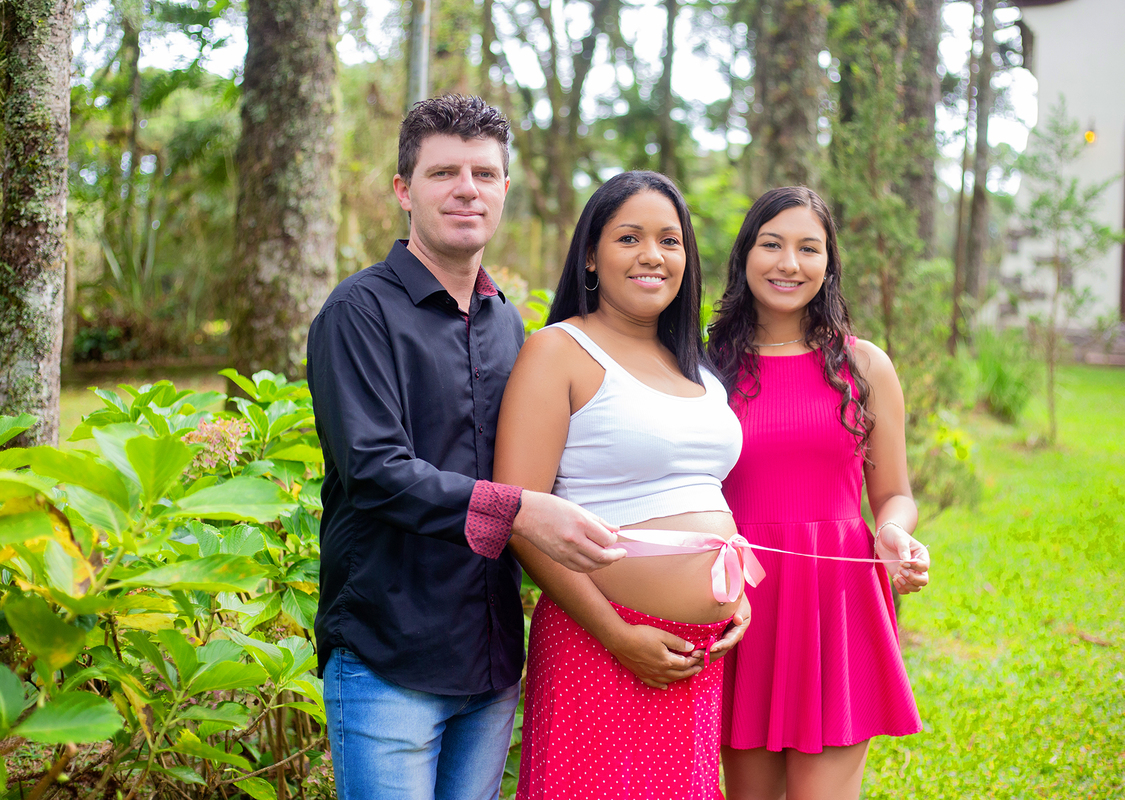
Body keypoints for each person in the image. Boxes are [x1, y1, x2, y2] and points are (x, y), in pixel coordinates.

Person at [306, 95, 626, 800]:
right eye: (444, 172)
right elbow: (374, 472)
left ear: (504, 188)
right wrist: (520, 512)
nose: (466, 189)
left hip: (488, 662)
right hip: (390, 654)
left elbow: (543, 465)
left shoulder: (508, 324)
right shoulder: (357, 313)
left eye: (484, 173)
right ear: (403, 190)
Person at [493, 171, 753, 800]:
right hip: (600, 643)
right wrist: (617, 634)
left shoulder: (700, 369)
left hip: (695, 656)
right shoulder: (559, 351)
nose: (652, 256)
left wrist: (736, 595)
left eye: (670, 240)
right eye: (629, 237)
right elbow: (520, 518)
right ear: (590, 253)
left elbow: (703, 496)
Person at [707, 186, 931, 800]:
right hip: (742, 599)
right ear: (744, 256)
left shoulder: (865, 366)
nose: (789, 264)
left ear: (829, 264)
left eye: (809, 248)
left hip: (838, 599)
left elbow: (895, 493)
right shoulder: (704, 367)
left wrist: (893, 531)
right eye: (772, 244)